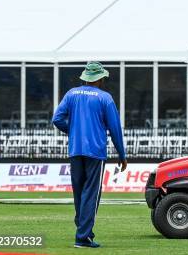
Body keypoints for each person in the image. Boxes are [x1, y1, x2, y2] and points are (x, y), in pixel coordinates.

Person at [52, 61, 127, 249]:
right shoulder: (105, 98)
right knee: (91, 194)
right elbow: (115, 128)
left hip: (75, 150)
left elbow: (57, 119)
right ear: (100, 79)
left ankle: (82, 230)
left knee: (79, 193)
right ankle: (83, 237)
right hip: (95, 152)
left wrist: (73, 130)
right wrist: (122, 154)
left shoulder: (71, 94)